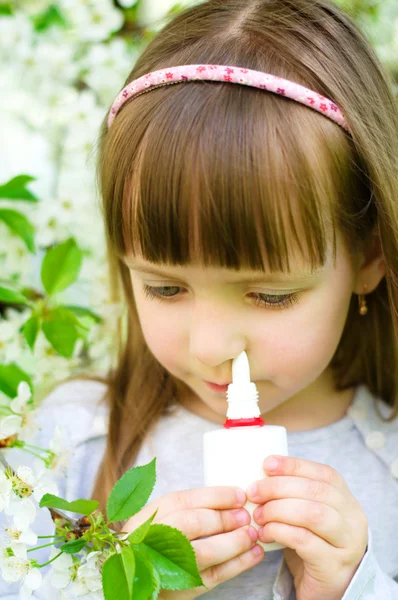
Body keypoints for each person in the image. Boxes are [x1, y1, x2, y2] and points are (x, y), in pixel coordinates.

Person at [2, 0, 398, 598]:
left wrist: (356, 587)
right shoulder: (65, 445)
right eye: (164, 287)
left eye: (269, 295)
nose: (212, 346)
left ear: (369, 257)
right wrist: (130, 585)